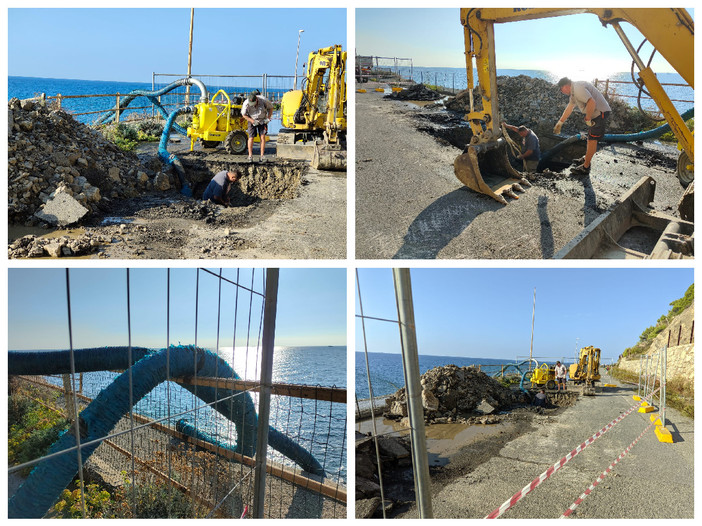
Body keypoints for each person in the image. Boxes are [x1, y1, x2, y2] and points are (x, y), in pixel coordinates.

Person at [553, 77, 612, 176]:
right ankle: (586, 159)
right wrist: (560, 122)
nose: (561, 92)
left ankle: (585, 167)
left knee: (592, 140)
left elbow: (591, 102)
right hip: (595, 114)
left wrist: (588, 117)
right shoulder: (573, 93)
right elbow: (569, 108)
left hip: (599, 114)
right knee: (590, 139)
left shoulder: (577, 88)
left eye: (561, 89)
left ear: (565, 86)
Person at [241, 90, 274, 162]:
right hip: (252, 119)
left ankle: (262, 156)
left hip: (262, 119)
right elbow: (244, 115)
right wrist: (252, 121)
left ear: (256, 99)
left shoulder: (263, 100)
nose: (252, 104)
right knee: (251, 137)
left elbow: (271, 108)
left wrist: (268, 118)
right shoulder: (246, 103)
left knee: (262, 137)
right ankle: (250, 156)